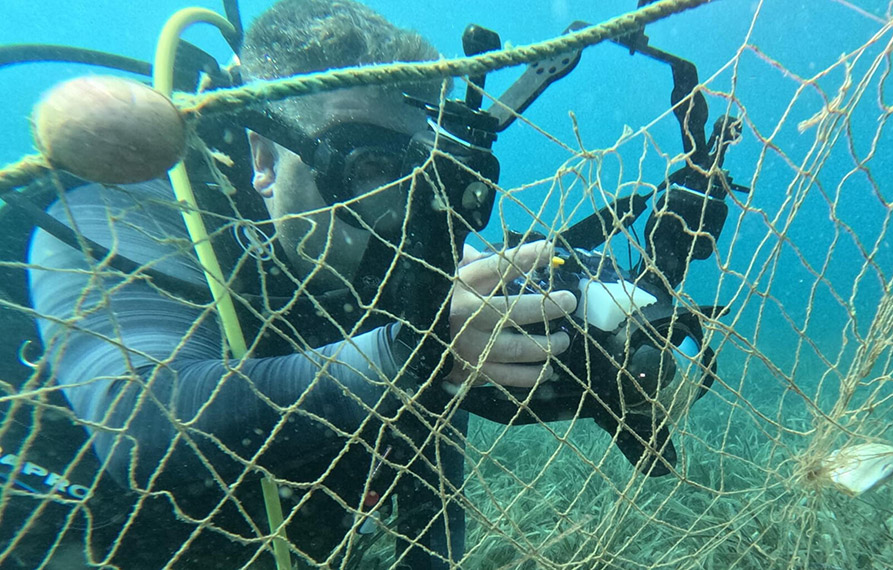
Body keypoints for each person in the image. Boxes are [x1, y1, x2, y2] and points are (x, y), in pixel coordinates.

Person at [25, 0, 577, 568]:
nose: (401, 212)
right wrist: (405, 355)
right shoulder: (123, 217)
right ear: (261, 155)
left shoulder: (407, 242)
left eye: (421, 172)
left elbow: (429, 495)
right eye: (366, 169)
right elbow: (140, 427)